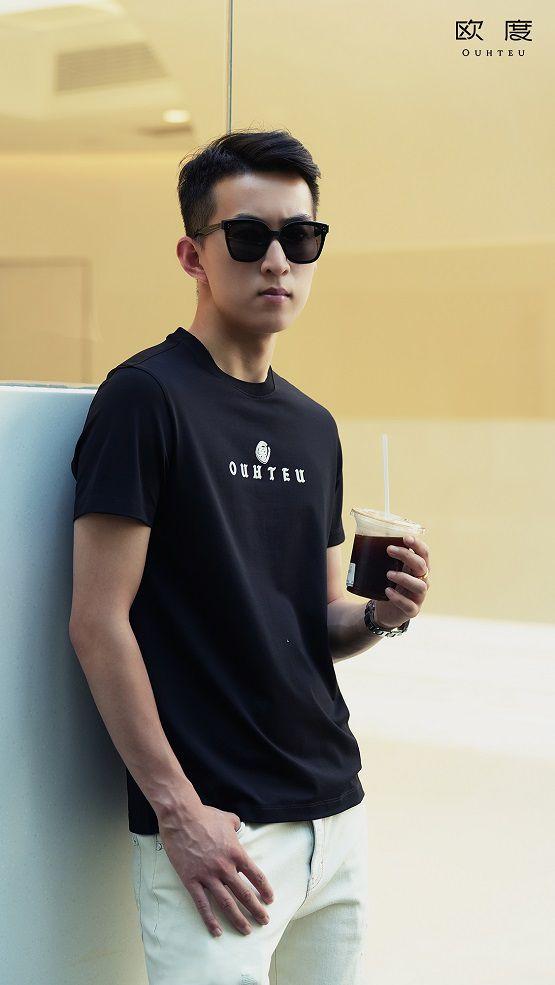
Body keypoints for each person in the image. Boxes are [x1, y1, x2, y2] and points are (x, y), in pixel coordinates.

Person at [69, 128, 431, 985]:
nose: (277, 260)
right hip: (219, 828)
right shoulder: (144, 398)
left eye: (300, 237)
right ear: (192, 255)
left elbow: (316, 623)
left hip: (333, 811)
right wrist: (178, 811)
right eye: (247, 236)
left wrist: (381, 616)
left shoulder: (312, 425)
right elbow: (97, 621)